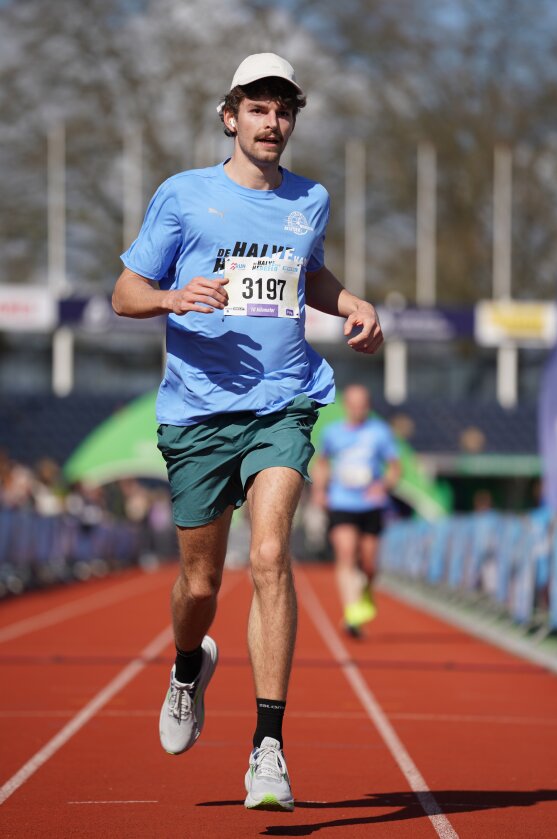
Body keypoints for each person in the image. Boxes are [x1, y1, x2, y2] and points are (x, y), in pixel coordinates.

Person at [112, 53, 383, 811]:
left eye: (283, 110)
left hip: (283, 400)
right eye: (258, 109)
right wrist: (172, 297)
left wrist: (352, 303)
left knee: (268, 556)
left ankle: (268, 747)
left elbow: (309, 273)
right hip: (198, 410)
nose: (272, 122)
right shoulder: (184, 195)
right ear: (230, 116)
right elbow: (125, 292)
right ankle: (187, 665)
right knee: (200, 584)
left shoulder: (310, 199)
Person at [312, 385, 400, 638]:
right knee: (346, 553)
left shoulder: (380, 432)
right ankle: (351, 612)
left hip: (370, 504)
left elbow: (395, 467)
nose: (358, 408)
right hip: (342, 502)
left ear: (368, 405)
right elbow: (322, 462)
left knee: (369, 564)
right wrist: (320, 490)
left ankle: (366, 590)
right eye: (353, 403)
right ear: (346, 405)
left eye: (362, 403)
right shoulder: (332, 432)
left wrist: (383, 485)